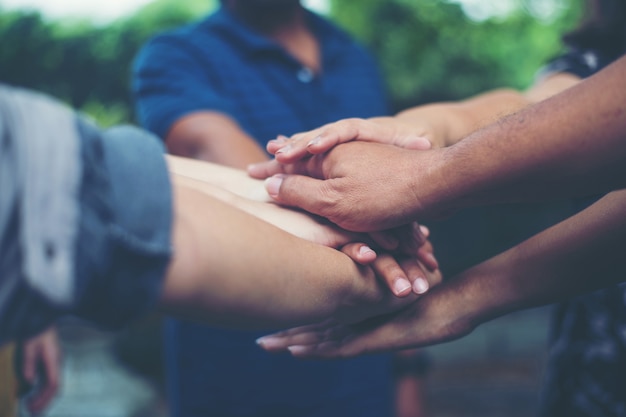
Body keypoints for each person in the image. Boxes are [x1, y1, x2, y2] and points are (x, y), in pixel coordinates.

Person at [132, 0, 433, 415]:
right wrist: (372, 227)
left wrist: (408, 372)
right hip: (239, 375)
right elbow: (217, 151)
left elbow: (391, 199)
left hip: (362, 373)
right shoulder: (179, 54)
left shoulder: (353, 55)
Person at [0, 83, 440, 350]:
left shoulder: (350, 52)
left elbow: (93, 175)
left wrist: (298, 207)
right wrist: (341, 236)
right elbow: (115, 202)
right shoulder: (179, 53)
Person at [249, 54, 626, 351]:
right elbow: (544, 102)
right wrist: (417, 130)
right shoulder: (598, 46)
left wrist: (424, 178)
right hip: (590, 343)